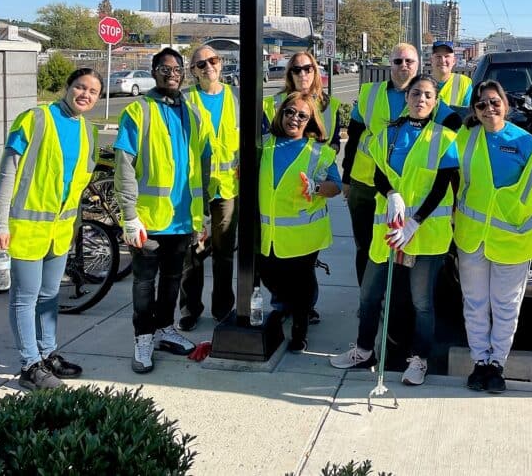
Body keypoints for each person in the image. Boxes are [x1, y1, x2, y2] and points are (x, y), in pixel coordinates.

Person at [331, 76, 459, 386]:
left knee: (422, 303)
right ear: (407, 98)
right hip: (387, 230)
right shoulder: (388, 134)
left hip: (425, 233)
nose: (421, 99)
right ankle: (364, 350)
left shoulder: (445, 138)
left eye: (428, 95)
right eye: (416, 93)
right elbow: (378, 175)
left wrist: (416, 221)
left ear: (435, 101)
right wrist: (392, 194)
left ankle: (419, 359)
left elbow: (443, 187)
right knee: (369, 295)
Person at [0, 68, 102, 390]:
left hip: (59, 232)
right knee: (25, 298)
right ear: (67, 87)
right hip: (23, 228)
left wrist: (75, 225)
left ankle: (48, 354)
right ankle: (29, 365)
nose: (85, 94)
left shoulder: (87, 132)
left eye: (93, 91)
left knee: (50, 295)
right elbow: (7, 174)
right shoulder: (35, 119)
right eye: (80, 86)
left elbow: (76, 186)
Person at [114, 48, 212, 374]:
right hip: (149, 217)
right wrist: (129, 215)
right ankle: (143, 337)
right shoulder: (138, 111)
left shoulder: (194, 114)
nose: (172, 73)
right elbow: (124, 166)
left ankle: (164, 328)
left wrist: (205, 212)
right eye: (165, 68)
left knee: (173, 278)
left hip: (183, 217)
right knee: (144, 282)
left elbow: (204, 163)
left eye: (177, 68)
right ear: (154, 71)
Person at [454, 80, 532, 394]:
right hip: (472, 237)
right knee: (475, 303)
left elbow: (531, 192)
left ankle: (497, 365)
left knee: (505, 306)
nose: (489, 109)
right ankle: (480, 361)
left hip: (511, 240)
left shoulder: (525, 142)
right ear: (475, 110)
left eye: (494, 102)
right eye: (481, 104)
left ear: (506, 104)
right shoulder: (464, 138)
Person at [258, 93, 341, 352]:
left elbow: (336, 186)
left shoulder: (319, 151)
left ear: (311, 120)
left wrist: (316, 188)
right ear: (281, 113)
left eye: (302, 115)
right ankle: (285, 308)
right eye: (290, 112)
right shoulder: (263, 144)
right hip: (269, 233)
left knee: (301, 284)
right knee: (269, 275)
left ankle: (299, 330)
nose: (294, 118)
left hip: (305, 235)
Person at [341, 43, 421, 285]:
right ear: (390, 65)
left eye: (409, 61)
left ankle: (394, 299)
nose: (403, 65)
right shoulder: (370, 93)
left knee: (402, 247)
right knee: (365, 245)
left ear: (418, 65)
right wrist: (346, 179)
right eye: (398, 61)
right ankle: (367, 299)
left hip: (407, 187)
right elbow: (353, 138)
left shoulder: (427, 95)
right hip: (365, 184)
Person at [177, 46, 240, 331]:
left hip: (226, 188)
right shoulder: (185, 100)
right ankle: (190, 309)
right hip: (192, 189)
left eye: (213, 61)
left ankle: (223, 308)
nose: (208, 67)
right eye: (201, 64)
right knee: (193, 253)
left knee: (224, 252)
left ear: (221, 63)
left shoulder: (234, 98)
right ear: (193, 71)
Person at [263, 51, 341, 150]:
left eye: (307, 69)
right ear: (290, 74)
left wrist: (331, 151)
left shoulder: (331, 105)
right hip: (283, 164)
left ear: (315, 71)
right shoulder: (271, 105)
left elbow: (335, 142)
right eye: (296, 70)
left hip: (319, 165)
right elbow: (263, 144)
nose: (302, 74)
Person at [430, 40, 472, 108]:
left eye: (447, 56)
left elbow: (468, 115)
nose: (442, 60)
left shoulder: (463, 83)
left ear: (454, 61)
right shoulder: (421, 84)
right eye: (438, 56)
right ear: (431, 60)